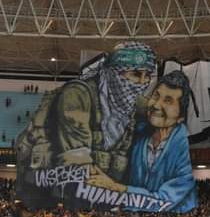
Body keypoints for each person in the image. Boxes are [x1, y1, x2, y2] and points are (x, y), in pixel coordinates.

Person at [15, 41, 157, 208]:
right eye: (135, 74)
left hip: (97, 194)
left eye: (147, 75)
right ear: (113, 72)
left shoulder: (132, 103)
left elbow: (163, 113)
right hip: (48, 188)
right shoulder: (77, 95)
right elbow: (77, 162)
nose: (142, 82)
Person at [86, 70, 197, 213]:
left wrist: (117, 188)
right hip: (130, 214)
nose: (156, 105)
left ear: (181, 116)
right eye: (156, 96)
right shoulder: (137, 133)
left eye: (168, 101)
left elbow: (162, 202)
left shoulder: (183, 157)